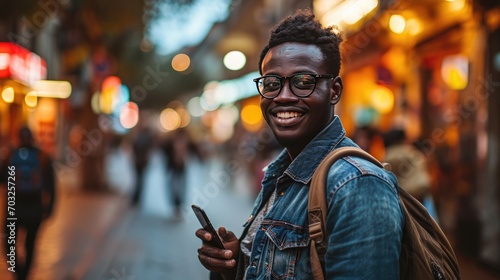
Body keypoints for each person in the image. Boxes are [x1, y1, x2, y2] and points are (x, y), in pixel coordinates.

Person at [195, 9, 404, 279]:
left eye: (303, 82)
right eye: (272, 83)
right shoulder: (281, 174)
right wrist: (235, 265)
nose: (282, 97)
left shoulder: (357, 184)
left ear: (335, 91)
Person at [4, 127, 56, 280]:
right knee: (30, 244)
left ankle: (18, 273)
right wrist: (49, 207)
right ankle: (24, 275)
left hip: (14, 206)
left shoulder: (11, 155)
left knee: (9, 243)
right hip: (35, 208)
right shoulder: (42, 157)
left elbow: (2, 178)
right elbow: (51, 185)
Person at [382, 128, 439, 221]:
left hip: (405, 197)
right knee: (428, 222)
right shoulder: (411, 151)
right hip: (422, 190)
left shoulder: (387, 156)